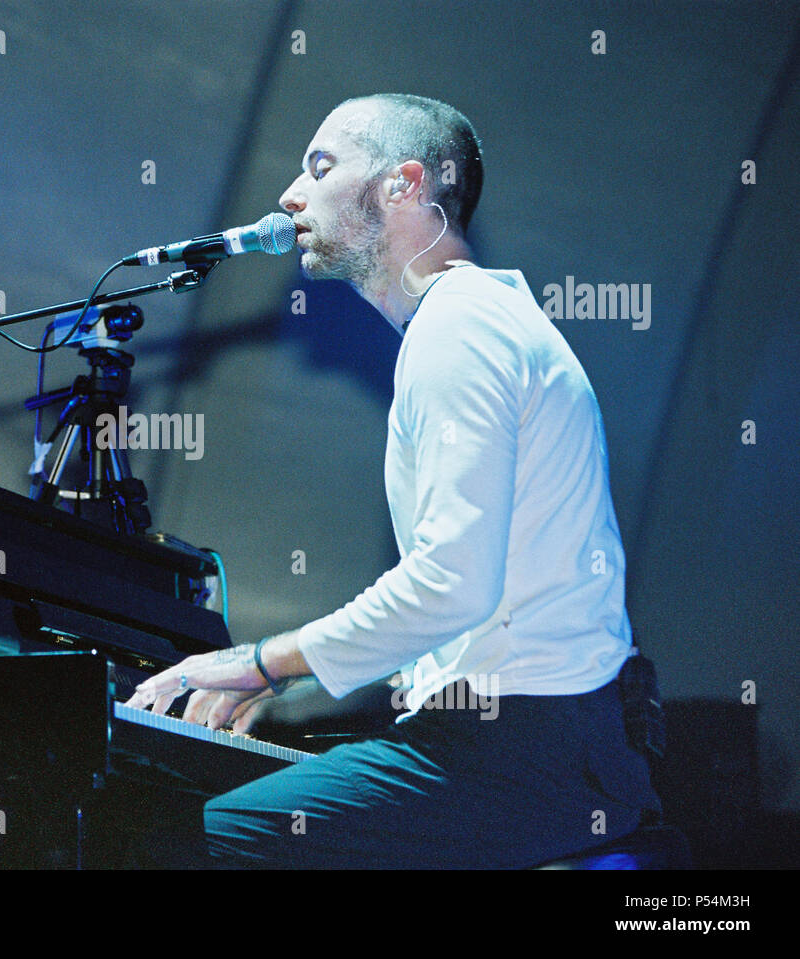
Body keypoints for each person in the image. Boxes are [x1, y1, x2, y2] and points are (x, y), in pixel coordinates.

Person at [124, 93, 662, 868]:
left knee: (175, 846)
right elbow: (493, 582)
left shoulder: (459, 327)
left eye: (321, 166)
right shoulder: (477, 321)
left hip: (525, 749)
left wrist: (261, 661)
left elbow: (451, 580)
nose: (289, 194)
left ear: (404, 184)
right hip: (538, 743)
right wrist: (427, 672)